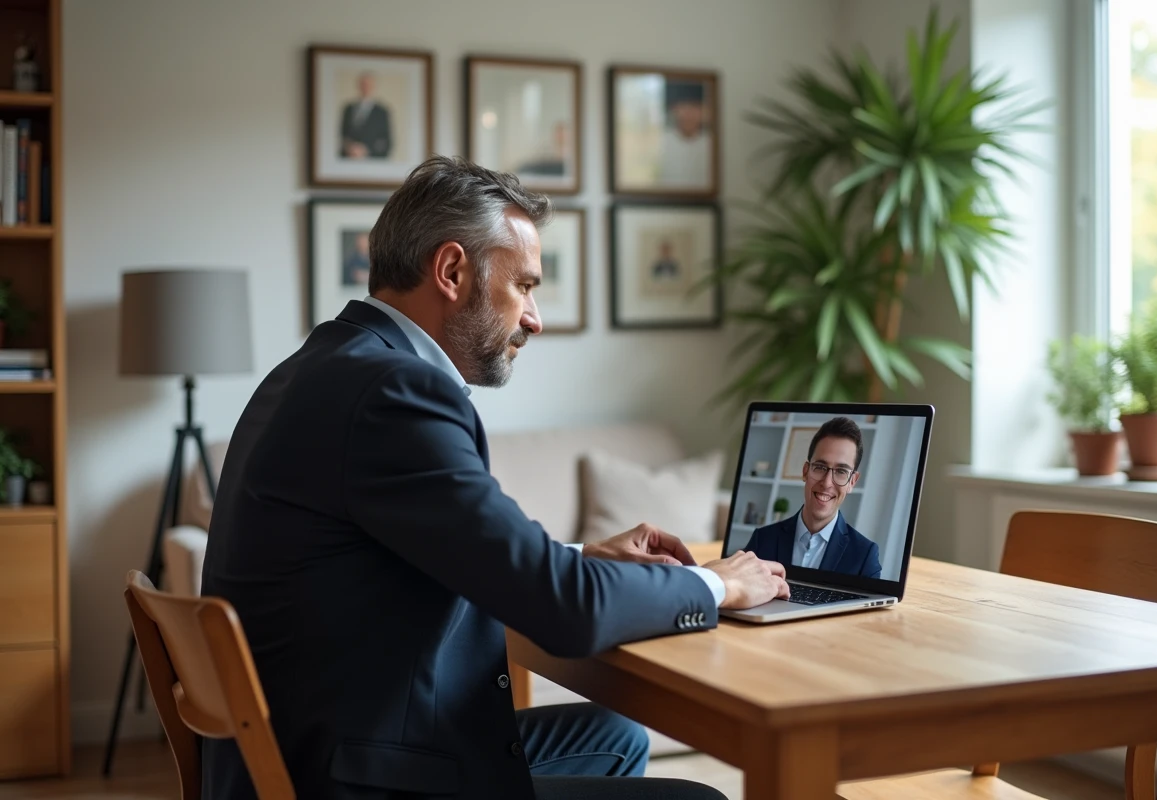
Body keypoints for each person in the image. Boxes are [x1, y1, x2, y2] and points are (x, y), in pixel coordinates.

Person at [199, 155, 789, 800]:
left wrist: (580, 557)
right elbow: (564, 613)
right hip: (360, 775)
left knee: (615, 736)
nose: (534, 318)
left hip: (316, 740)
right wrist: (718, 584)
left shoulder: (322, 363)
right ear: (452, 271)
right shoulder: (395, 392)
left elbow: (445, 552)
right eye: (524, 286)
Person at [744, 417, 882, 579]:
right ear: (805, 471)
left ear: (852, 482)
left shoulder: (865, 556)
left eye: (841, 471)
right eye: (820, 467)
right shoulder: (762, 540)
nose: (827, 483)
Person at [657, 80, 710, 188]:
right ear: (674, 108)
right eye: (684, 106)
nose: (689, 113)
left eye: (695, 106)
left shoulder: (711, 143)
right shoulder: (660, 142)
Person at [340, 71, 391, 159]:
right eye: (363, 84)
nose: (366, 87)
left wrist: (366, 151)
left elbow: (386, 141)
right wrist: (350, 149)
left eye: (368, 85)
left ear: (373, 87)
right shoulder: (348, 109)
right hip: (349, 159)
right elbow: (343, 135)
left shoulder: (382, 112)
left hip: (372, 160)